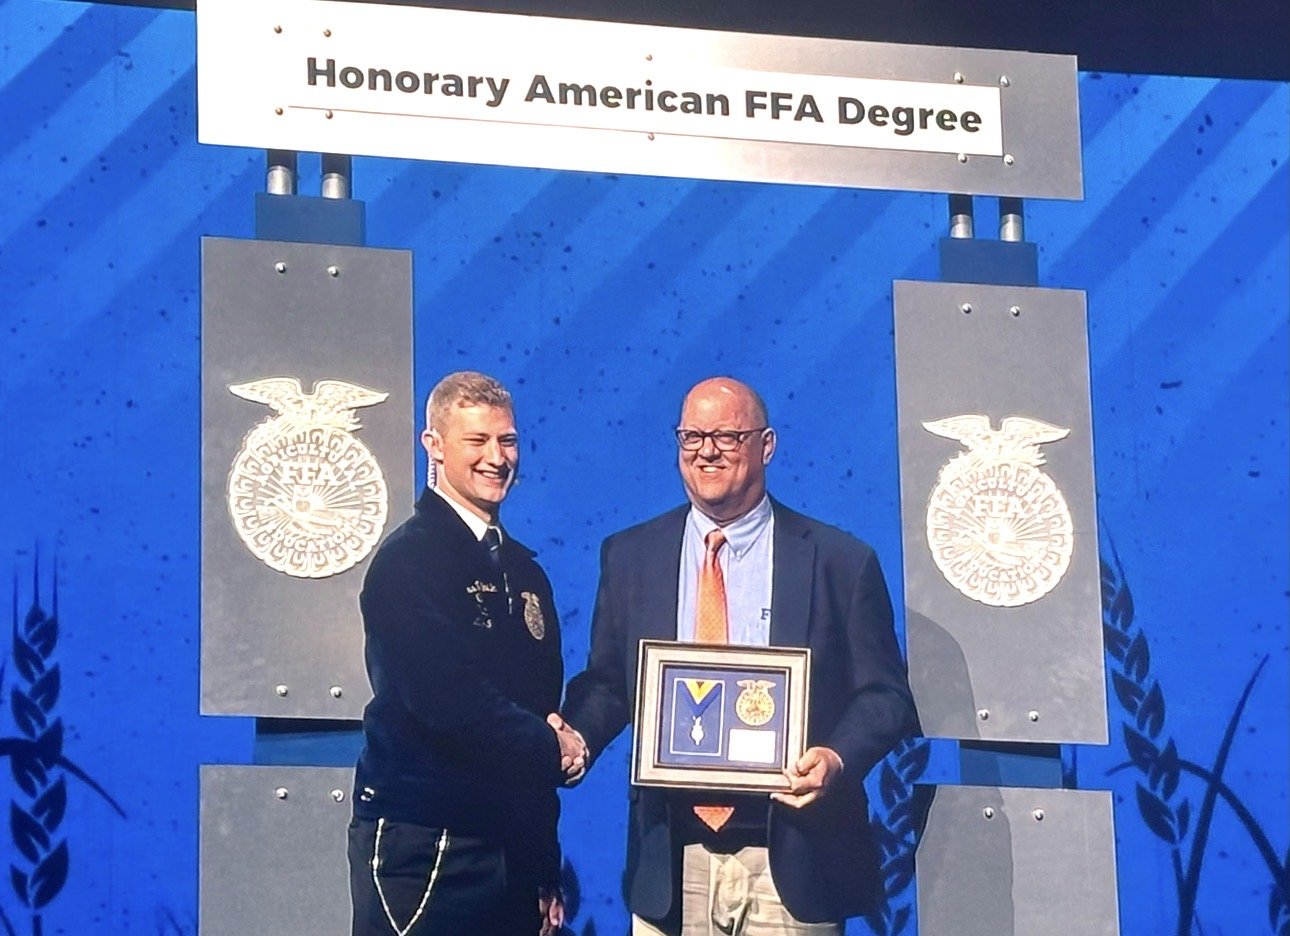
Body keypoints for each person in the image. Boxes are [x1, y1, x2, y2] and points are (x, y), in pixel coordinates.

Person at [558, 376, 918, 935]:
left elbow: (885, 698)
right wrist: (577, 737)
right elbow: (610, 683)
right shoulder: (631, 556)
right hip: (671, 861)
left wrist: (836, 758)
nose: (706, 451)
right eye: (691, 436)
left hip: (792, 858)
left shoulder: (839, 562)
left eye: (727, 436)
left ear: (766, 445)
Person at [347, 371, 585, 936]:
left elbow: (534, 710)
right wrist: (551, 746)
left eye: (506, 440)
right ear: (434, 445)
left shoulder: (525, 573)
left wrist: (541, 863)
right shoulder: (407, 564)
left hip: (509, 846)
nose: (495, 458)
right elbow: (445, 700)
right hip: (426, 845)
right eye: (476, 441)